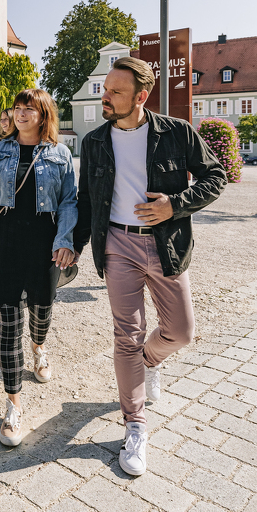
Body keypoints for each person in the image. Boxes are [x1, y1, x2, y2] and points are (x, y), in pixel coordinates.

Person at [74, 57, 226, 477]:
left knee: (181, 331)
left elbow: (216, 177)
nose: (104, 96)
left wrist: (174, 205)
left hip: (166, 245)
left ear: (141, 97)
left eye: (115, 91)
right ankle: (135, 425)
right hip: (117, 246)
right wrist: (72, 244)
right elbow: (87, 202)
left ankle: (150, 361)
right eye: (105, 88)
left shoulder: (176, 133)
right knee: (126, 335)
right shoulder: (94, 142)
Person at [0, 89, 77, 447]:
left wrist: (65, 239)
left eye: (30, 108)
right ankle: (13, 405)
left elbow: (69, 202)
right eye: (18, 107)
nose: (22, 113)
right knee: (9, 322)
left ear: (44, 114)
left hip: (44, 246)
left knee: (43, 309)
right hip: (4, 244)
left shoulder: (60, 153)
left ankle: (40, 348)